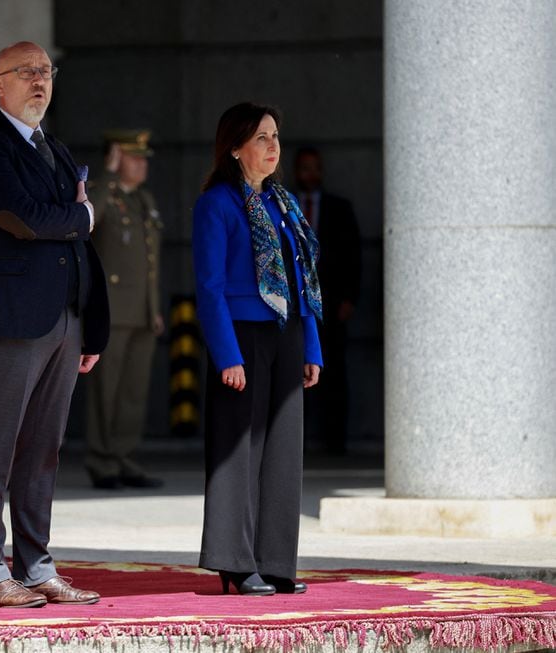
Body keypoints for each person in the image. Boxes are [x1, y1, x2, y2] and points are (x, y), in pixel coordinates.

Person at [0, 41, 109, 608]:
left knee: (43, 449)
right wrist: (83, 215)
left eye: (46, 72)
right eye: (26, 73)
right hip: (12, 321)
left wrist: (90, 327)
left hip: (64, 319)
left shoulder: (57, 148)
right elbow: (23, 220)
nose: (39, 81)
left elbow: (70, 240)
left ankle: (36, 565)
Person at [192, 102, 322, 596]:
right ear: (235, 147)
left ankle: (275, 562)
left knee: (283, 454)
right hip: (241, 338)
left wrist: (311, 346)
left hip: (285, 335)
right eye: (261, 138)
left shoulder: (283, 204)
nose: (273, 146)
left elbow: (301, 282)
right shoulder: (217, 203)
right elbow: (209, 286)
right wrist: (227, 355)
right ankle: (235, 561)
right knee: (238, 454)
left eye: (275, 136)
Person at [85, 129, 164, 489]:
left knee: (133, 392)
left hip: (142, 313)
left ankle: (123, 456)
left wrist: (154, 309)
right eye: (134, 157)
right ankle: (102, 461)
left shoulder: (143, 200)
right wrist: (108, 174)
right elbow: (90, 220)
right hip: (112, 313)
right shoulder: (104, 194)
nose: (142, 164)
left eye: (144, 158)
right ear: (116, 157)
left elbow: (149, 262)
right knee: (107, 390)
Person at [294, 147, 362, 455]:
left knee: (334, 373)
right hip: (295, 305)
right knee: (295, 373)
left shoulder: (339, 208)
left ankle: (337, 442)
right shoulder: (284, 206)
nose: (310, 173)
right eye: (304, 168)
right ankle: (296, 442)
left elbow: (354, 256)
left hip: (332, 305)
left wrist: (350, 298)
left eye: (314, 168)